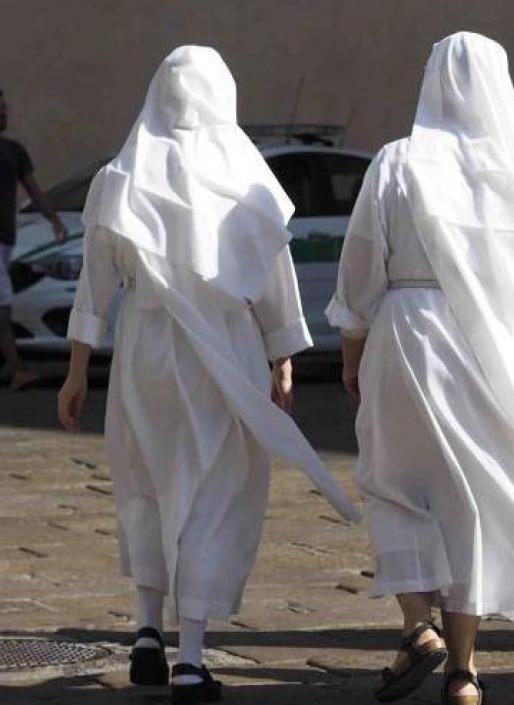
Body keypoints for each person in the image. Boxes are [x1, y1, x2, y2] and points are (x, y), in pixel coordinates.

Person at [56, 46, 359, 705]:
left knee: (147, 479)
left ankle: (144, 630)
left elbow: (94, 286)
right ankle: (189, 656)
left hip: (144, 342)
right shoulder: (245, 181)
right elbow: (275, 286)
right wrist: (281, 360)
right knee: (213, 489)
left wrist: (77, 370)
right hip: (223, 346)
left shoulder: (120, 177)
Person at [326, 32, 514, 705]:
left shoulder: (397, 162)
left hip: (409, 334)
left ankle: (419, 627)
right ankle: (465, 671)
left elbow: (361, 266)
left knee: (396, 486)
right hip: (503, 347)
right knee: (471, 503)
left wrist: (353, 350)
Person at [0, 85, 68, 389]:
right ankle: (17, 370)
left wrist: (53, 219)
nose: (4, 112)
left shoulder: (14, 151)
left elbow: (33, 189)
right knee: (0, 303)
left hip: (6, 240)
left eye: (4, 106)